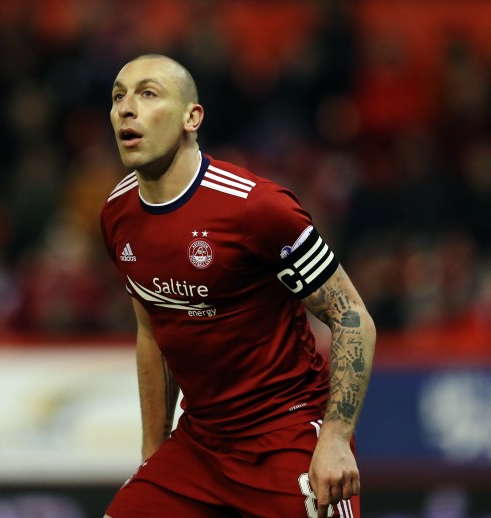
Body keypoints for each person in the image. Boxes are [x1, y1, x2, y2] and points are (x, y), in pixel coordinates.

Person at [99, 53, 376, 518]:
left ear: (192, 117)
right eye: (118, 97)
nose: (127, 108)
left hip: (284, 437)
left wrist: (334, 440)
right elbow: (152, 332)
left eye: (148, 94)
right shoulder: (117, 213)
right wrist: (154, 449)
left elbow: (352, 317)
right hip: (200, 443)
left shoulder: (256, 208)